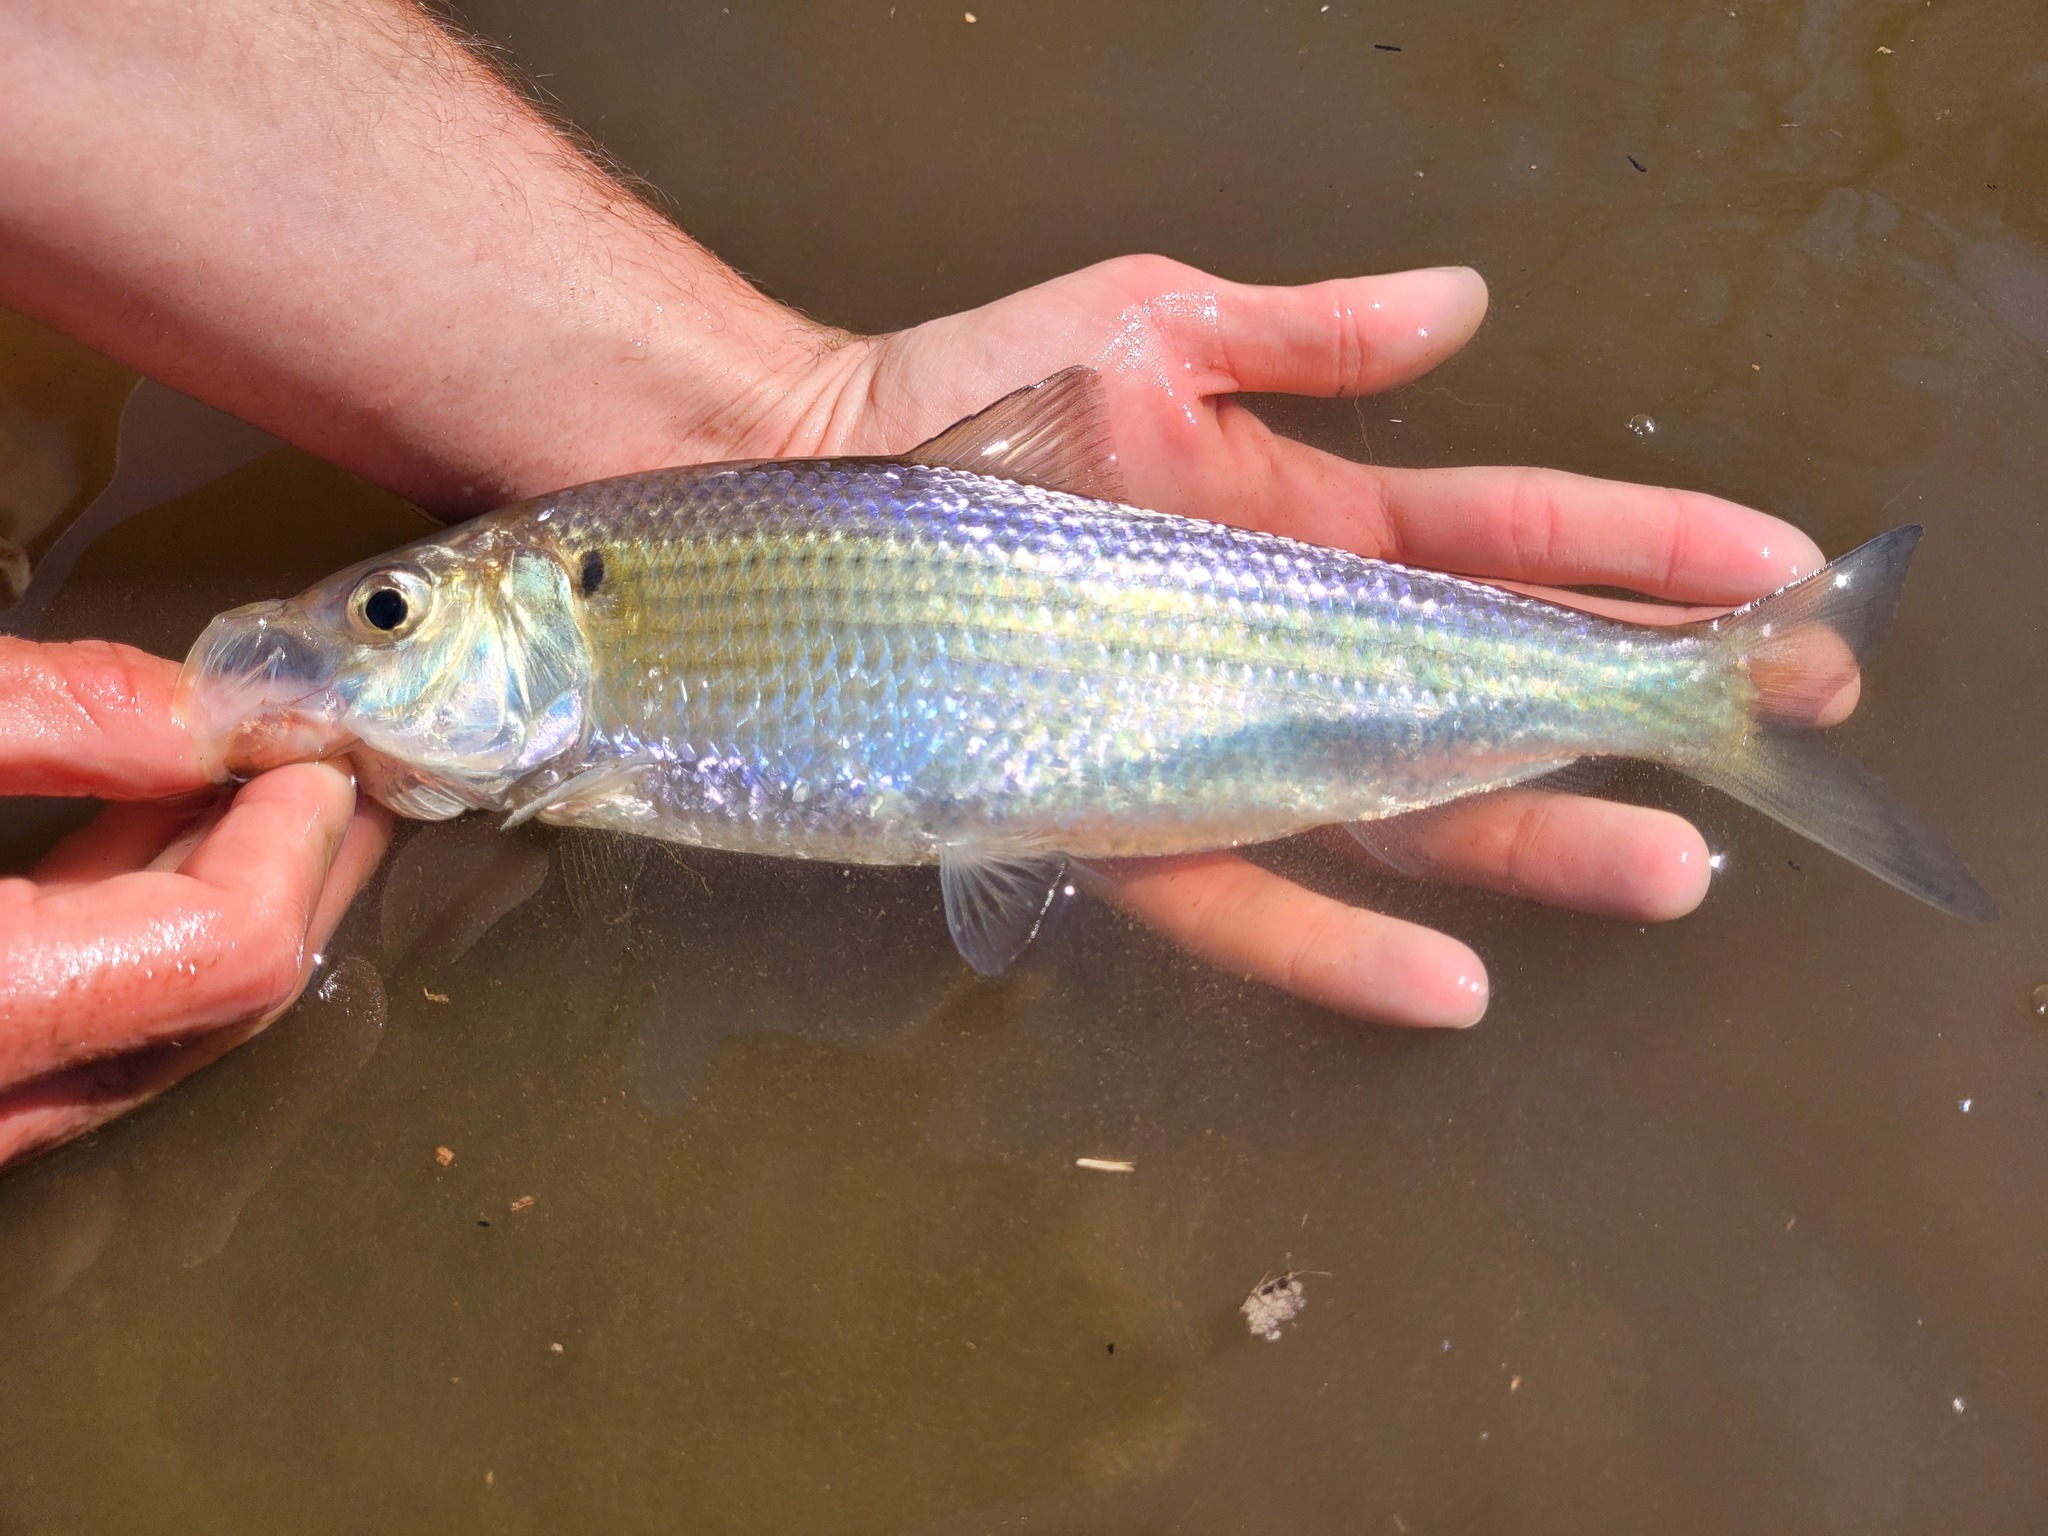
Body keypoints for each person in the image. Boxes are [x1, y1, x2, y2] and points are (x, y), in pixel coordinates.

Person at [0, 0, 1846, 1167]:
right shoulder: (579, 677)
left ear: (551, 597)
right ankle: (1693, 693)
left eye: (390, 613)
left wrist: (781, 412)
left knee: (1673, 692)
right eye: (376, 617)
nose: (358, 636)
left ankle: (1696, 692)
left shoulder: (611, 601)